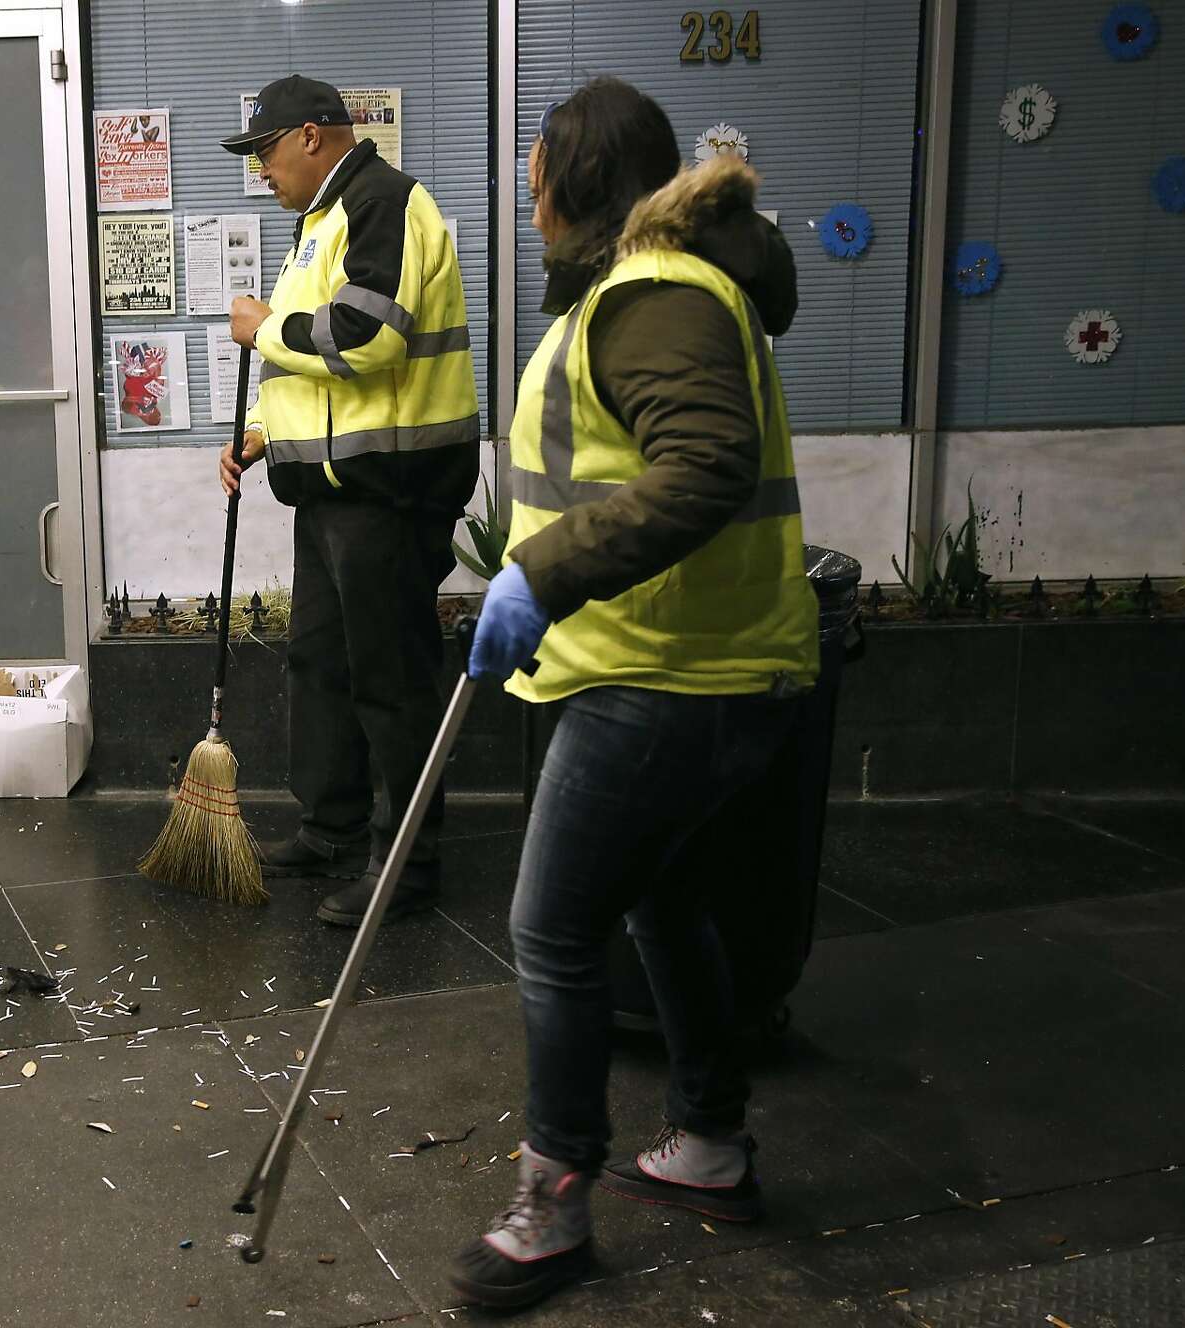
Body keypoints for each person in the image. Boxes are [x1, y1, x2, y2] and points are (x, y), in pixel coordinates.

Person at [447, 78, 820, 1311]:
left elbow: (703, 463)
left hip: (659, 676)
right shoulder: (667, 286)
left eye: (536, 171)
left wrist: (539, 575)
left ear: (576, 181)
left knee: (554, 930)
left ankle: (551, 1210)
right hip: (698, 665)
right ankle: (707, 1143)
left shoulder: (656, 292)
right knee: (662, 902)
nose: (527, 194)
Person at [217, 75, 479, 927]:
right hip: (330, 490)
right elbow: (315, 372)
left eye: (263, 151)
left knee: (390, 679)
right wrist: (260, 432)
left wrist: (263, 330)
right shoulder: (318, 224)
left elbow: (368, 334)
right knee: (322, 665)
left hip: (390, 492)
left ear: (308, 137)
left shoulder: (386, 203)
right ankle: (331, 829)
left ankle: (407, 863)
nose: (260, 171)